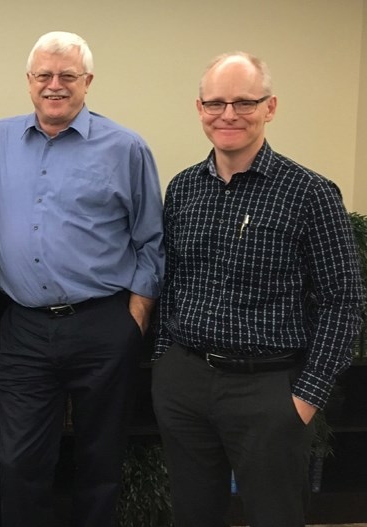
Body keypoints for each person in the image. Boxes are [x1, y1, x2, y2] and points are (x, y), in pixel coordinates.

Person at [152, 51, 364, 527]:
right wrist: (166, 363)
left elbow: (343, 302)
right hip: (185, 382)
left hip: (268, 390)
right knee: (192, 514)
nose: (229, 114)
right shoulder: (184, 188)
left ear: (269, 107)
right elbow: (173, 281)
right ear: (200, 108)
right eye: (216, 103)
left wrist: (305, 398)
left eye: (244, 102)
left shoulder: (310, 193)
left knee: (275, 516)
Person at [0, 32, 164, 527]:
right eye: (44, 76)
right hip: (24, 329)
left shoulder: (126, 148)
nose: (55, 86)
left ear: (87, 82)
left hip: (103, 324)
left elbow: (151, 240)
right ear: (29, 82)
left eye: (67, 76)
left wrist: (133, 320)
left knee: (100, 460)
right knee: (19, 462)